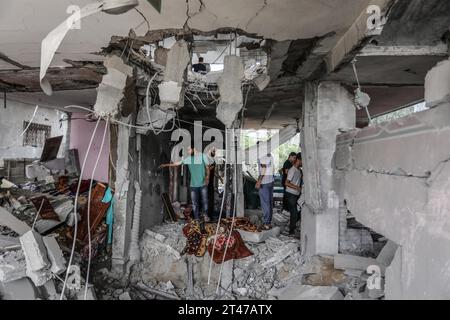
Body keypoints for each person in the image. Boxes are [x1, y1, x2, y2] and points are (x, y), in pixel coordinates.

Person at [160, 145, 211, 221]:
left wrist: (207, 178)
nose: (188, 152)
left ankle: (206, 215)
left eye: (189, 150)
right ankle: (196, 218)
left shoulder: (203, 156)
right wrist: (166, 165)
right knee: (194, 203)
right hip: (193, 185)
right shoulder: (188, 159)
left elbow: (207, 168)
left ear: (194, 149)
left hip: (203, 183)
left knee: (205, 200)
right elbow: (178, 163)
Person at [284, 153, 303, 235]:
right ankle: (291, 231)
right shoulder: (292, 170)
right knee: (294, 213)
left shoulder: (299, 170)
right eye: (303, 161)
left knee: (297, 212)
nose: (303, 163)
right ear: (299, 160)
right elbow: (286, 183)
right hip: (290, 194)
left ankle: (292, 227)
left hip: (296, 194)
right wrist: (297, 188)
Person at [256, 152, 275, 230]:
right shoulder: (270, 155)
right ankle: (269, 222)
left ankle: (266, 223)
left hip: (264, 182)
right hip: (271, 181)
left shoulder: (262, 155)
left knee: (265, 203)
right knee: (269, 203)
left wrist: (259, 181)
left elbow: (263, 169)